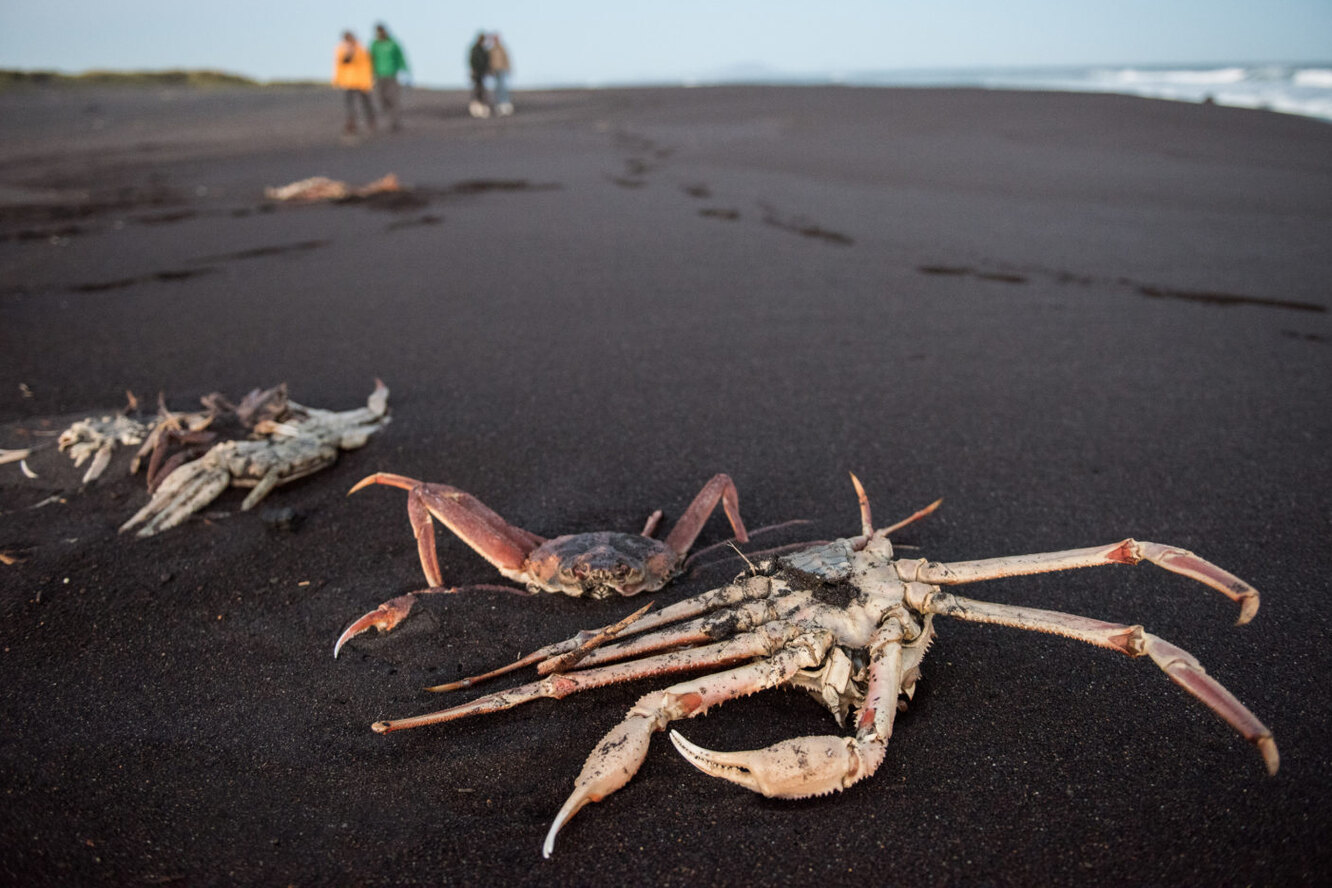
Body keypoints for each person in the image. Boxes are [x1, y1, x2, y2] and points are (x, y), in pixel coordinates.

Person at [333, 30, 375, 135]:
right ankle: (351, 123)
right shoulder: (341, 49)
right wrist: (337, 80)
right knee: (350, 104)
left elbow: (367, 64)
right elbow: (341, 64)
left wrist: (368, 80)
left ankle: (371, 121)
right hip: (349, 81)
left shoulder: (361, 49)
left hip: (361, 81)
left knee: (366, 103)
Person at [370, 23, 410, 131]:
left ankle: (395, 122)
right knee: (381, 99)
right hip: (378, 75)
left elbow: (400, 57)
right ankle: (390, 116)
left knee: (393, 98)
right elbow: (370, 59)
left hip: (391, 75)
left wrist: (405, 70)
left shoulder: (393, 43)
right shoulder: (374, 45)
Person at [467, 32, 491, 118]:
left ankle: (480, 106)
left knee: (480, 90)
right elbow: (473, 61)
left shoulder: (482, 49)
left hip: (481, 73)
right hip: (477, 73)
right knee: (477, 90)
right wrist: (475, 70)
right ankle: (477, 107)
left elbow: (485, 61)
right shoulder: (477, 49)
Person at [489, 32, 513, 116]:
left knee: (503, 87)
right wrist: (490, 70)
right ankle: (499, 104)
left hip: (502, 70)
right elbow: (490, 61)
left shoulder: (502, 48)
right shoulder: (492, 49)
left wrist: (508, 68)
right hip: (495, 71)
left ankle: (505, 103)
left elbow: (506, 58)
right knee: (497, 88)